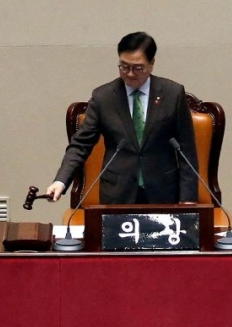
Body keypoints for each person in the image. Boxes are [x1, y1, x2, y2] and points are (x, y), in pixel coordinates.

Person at [45, 32, 199, 205]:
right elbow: (81, 144)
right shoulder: (103, 97)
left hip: (163, 192)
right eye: (124, 67)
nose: (130, 74)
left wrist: (188, 199)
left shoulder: (173, 94)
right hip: (118, 193)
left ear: (152, 64)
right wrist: (61, 181)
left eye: (138, 68)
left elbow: (186, 151)